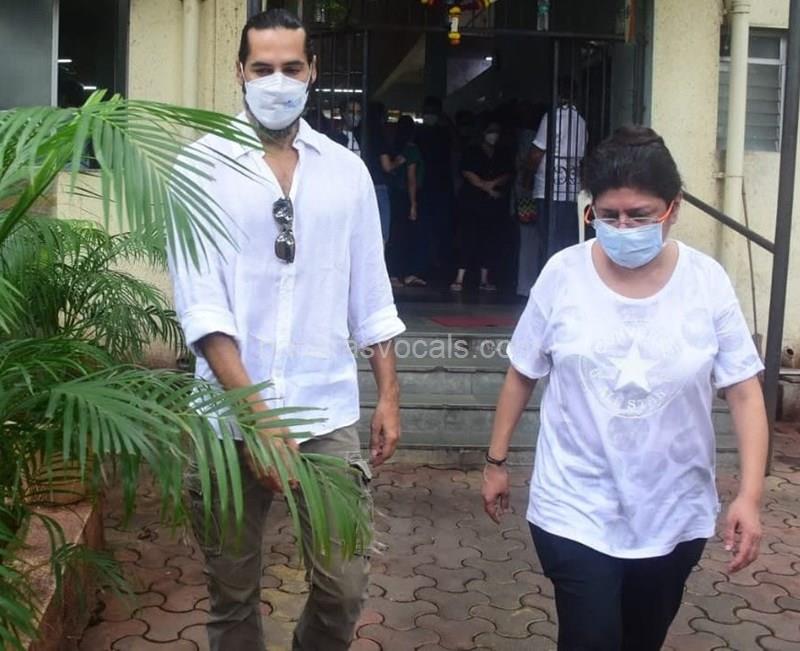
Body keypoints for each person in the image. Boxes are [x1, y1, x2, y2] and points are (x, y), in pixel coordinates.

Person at [168, 9, 405, 650]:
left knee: (343, 588)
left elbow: (371, 294)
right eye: (263, 68)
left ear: (312, 72)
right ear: (240, 73)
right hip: (228, 418)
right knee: (232, 595)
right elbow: (204, 309)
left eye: (291, 68)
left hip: (325, 411)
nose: (278, 81)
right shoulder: (200, 167)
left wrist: (388, 393)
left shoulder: (346, 172)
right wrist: (260, 421)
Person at [482, 126, 768, 651]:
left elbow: (745, 392)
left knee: (642, 638)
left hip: (673, 511)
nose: (623, 228)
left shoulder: (706, 283)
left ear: (674, 208)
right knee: (591, 637)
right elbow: (522, 371)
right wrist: (495, 462)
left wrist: (749, 496)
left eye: (639, 215)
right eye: (608, 215)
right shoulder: (563, 275)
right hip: (574, 504)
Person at [451, 119, 513, 292]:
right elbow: (467, 172)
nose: (494, 135)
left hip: (492, 205)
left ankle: (484, 279)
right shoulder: (472, 150)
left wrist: (492, 185)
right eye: (491, 131)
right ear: (483, 132)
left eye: (497, 131)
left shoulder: (502, 153)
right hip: (471, 202)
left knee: (489, 239)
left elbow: (508, 173)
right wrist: (487, 188)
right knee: (467, 238)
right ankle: (459, 278)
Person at [528, 77, 588, 260]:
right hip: (571, 189)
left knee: (548, 243)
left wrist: (526, 177)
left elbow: (536, 153)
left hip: (549, 188)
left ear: (558, 95)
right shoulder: (581, 122)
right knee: (567, 243)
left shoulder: (552, 118)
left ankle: (549, 276)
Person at [416, 96, 455, 278]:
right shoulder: (418, 132)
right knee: (424, 229)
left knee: (440, 229)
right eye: (427, 112)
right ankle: (425, 265)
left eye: (432, 112)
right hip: (424, 187)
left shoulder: (445, 133)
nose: (429, 115)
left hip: (440, 187)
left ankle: (439, 263)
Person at [387, 114, 427, 288]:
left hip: (394, 195)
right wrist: (413, 204)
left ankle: (394, 273)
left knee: (394, 235)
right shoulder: (411, 149)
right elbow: (411, 178)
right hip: (406, 196)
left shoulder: (393, 147)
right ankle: (403, 273)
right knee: (407, 236)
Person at [514, 100, 544, 296]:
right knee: (535, 239)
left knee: (529, 239)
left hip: (529, 193)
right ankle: (529, 286)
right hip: (531, 194)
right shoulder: (528, 136)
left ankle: (526, 286)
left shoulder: (525, 137)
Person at [363, 101, 394, 243]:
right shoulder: (379, 135)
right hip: (378, 186)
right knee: (380, 236)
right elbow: (386, 166)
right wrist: (398, 162)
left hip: (359, 186)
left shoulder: (359, 132)